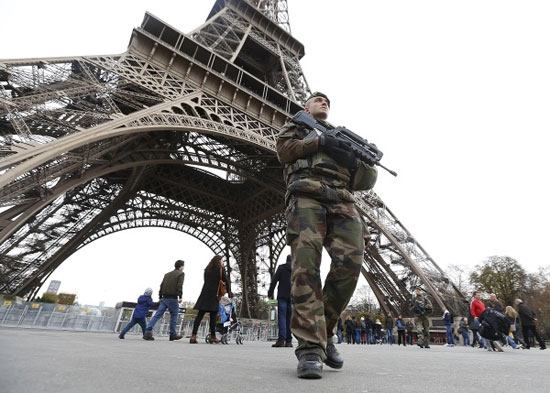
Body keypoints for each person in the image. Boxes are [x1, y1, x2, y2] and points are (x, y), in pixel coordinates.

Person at [276, 92, 378, 379]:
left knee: (350, 267)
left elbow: (366, 181)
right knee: (305, 266)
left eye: (327, 102)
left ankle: (326, 332)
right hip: (307, 196)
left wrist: (356, 162)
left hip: (343, 201)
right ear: (306, 107)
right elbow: (284, 152)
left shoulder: (345, 139)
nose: (324, 103)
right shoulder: (297, 126)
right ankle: (310, 347)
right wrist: (318, 141)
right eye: (318, 100)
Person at [189, 255, 230, 344]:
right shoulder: (220, 269)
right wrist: (229, 291)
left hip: (204, 294)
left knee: (199, 315)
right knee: (213, 317)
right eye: (222, 261)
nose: (223, 262)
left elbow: (206, 281)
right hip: (214, 295)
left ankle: (193, 335)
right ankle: (213, 336)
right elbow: (225, 280)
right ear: (219, 261)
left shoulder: (207, 270)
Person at [143, 260, 185, 341]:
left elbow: (161, 285)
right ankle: (172, 334)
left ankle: (148, 332)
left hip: (164, 297)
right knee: (174, 316)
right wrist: (180, 296)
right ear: (181, 266)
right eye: (183, 266)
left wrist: (160, 296)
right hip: (173, 298)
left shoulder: (167, 274)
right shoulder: (181, 274)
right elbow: (180, 285)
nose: (183, 268)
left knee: (157, 315)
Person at [268, 255, 292, 348]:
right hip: (292, 297)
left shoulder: (281, 268)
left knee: (282, 318)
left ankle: (281, 340)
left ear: (286, 260)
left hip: (282, 296)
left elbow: (274, 281)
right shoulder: (296, 269)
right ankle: (289, 341)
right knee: (289, 319)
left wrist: (270, 293)